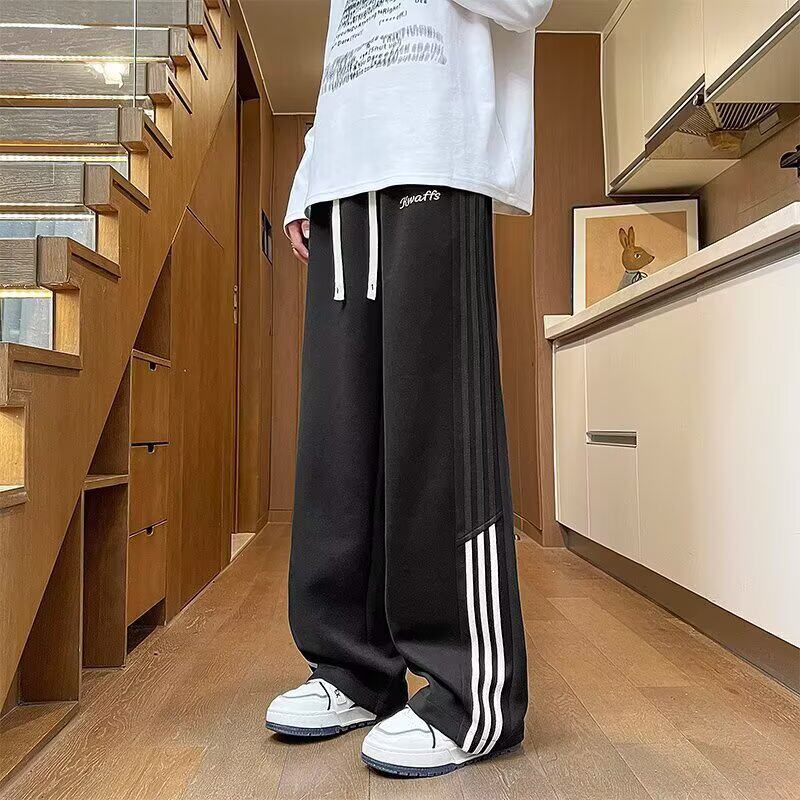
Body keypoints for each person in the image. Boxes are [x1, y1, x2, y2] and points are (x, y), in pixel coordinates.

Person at [265, 0, 552, 779]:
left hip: (434, 151)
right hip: (342, 181)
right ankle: (353, 668)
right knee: (338, 436)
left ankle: (471, 693)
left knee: (436, 430)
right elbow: (346, 55)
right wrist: (309, 174)